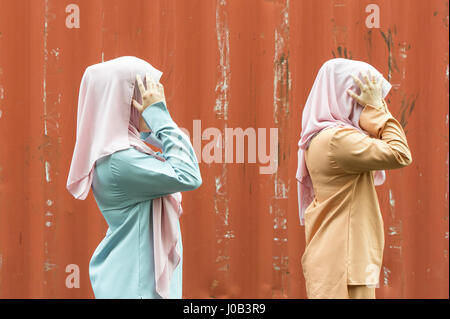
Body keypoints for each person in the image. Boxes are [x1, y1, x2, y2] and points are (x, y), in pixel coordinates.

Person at [66, 56, 202, 299]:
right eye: (143, 96)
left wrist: (152, 126)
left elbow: (182, 160)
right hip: (135, 287)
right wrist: (159, 116)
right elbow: (189, 174)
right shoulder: (120, 161)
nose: (149, 102)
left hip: (133, 281)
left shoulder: (126, 152)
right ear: (123, 101)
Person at [296, 58, 412, 299]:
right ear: (348, 98)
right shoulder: (337, 140)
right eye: (363, 100)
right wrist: (377, 110)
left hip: (339, 261)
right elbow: (400, 153)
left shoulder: (321, 138)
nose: (368, 106)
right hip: (345, 264)